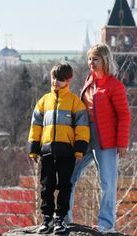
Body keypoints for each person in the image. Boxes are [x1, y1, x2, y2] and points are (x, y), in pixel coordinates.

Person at [67, 43, 131, 233]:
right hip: (85, 135)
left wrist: (122, 143)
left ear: (105, 60)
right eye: (89, 59)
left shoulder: (114, 85)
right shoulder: (89, 80)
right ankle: (64, 218)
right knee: (69, 175)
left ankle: (106, 225)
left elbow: (124, 115)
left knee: (108, 182)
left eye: (95, 59)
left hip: (107, 140)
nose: (91, 63)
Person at [28, 63, 90, 234]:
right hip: (47, 151)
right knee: (46, 186)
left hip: (67, 153)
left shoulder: (75, 103)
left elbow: (82, 128)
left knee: (65, 185)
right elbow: (36, 126)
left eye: (60, 79)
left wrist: (79, 150)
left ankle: (60, 219)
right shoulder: (43, 101)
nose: (56, 82)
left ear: (68, 80)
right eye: (54, 78)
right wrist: (33, 149)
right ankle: (46, 218)